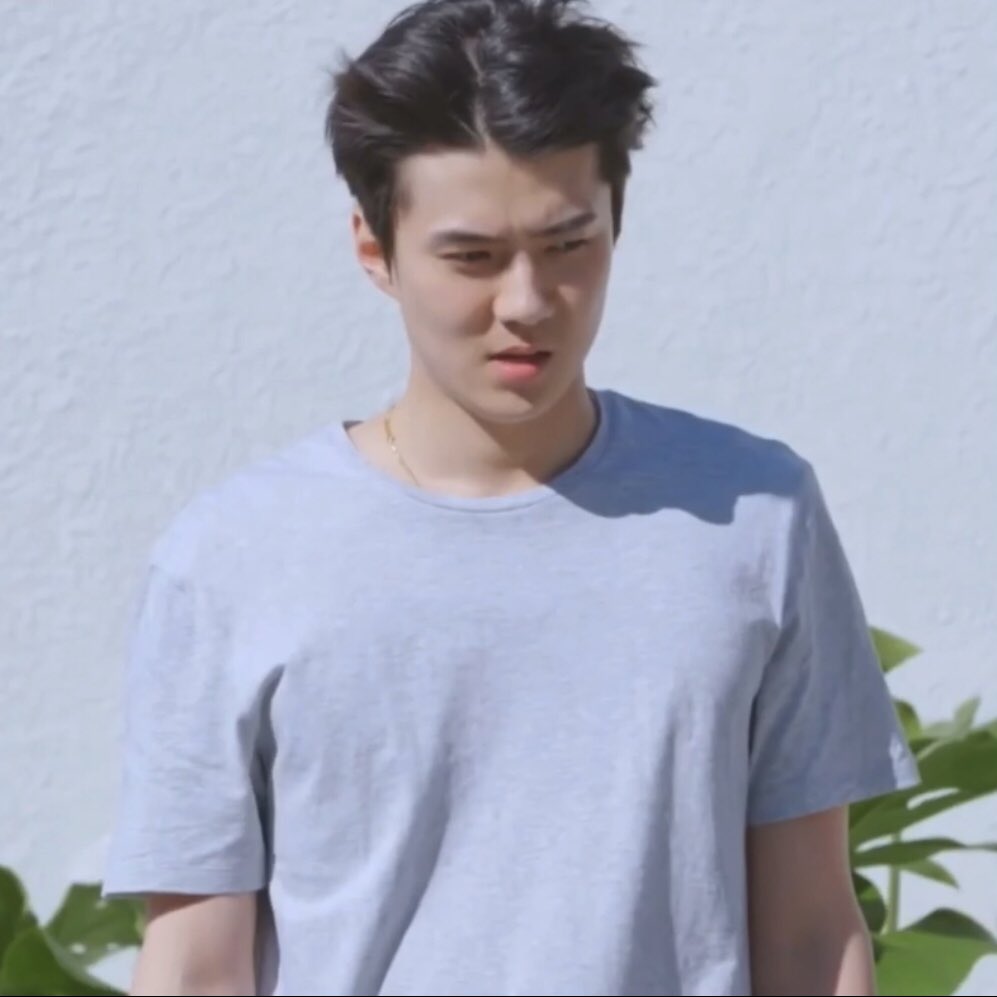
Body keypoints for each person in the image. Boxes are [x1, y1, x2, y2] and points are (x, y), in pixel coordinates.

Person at [102, 0, 919, 994]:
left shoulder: (753, 515)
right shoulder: (231, 558)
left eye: (567, 245)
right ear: (374, 250)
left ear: (615, 224)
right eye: (472, 257)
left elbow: (810, 934)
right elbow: (195, 967)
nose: (526, 302)